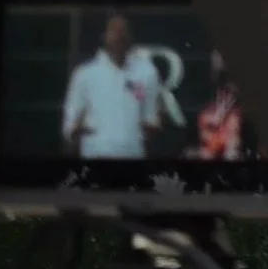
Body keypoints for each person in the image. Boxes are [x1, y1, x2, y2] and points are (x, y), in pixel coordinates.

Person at [60, 12, 184, 159]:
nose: (119, 36)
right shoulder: (84, 74)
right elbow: (71, 123)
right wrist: (76, 132)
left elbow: (151, 119)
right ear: (104, 36)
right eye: (114, 30)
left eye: (123, 31)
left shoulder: (147, 72)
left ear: (130, 37)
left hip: (132, 154)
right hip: (95, 153)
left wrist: (148, 127)